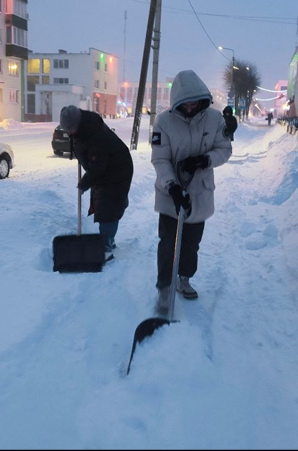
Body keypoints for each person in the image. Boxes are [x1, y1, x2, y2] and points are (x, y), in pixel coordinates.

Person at [151, 70, 232, 313]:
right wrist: (172, 187)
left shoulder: (215, 119)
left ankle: (184, 279)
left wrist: (204, 160)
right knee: (168, 243)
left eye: (194, 103)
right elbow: (160, 159)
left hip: (200, 193)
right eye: (184, 104)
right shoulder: (163, 122)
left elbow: (224, 149)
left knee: (191, 244)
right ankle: (165, 288)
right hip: (170, 194)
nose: (189, 108)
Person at [60, 105, 133, 263]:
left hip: (118, 170)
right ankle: (108, 240)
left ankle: (106, 247)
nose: (70, 132)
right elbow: (83, 146)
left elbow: (97, 167)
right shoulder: (82, 128)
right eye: (67, 130)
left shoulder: (95, 135)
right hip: (107, 167)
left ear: (78, 123)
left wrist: (83, 184)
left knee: (108, 209)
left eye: (71, 129)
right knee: (105, 205)